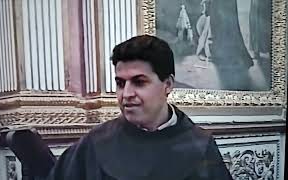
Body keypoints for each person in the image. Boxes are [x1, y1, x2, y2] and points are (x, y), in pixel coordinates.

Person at [46, 35, 232, 180]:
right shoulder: (95, 143)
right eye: (120, 83)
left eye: (139, 82)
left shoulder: (200, 146)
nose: (126, 94)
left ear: (167, 85)